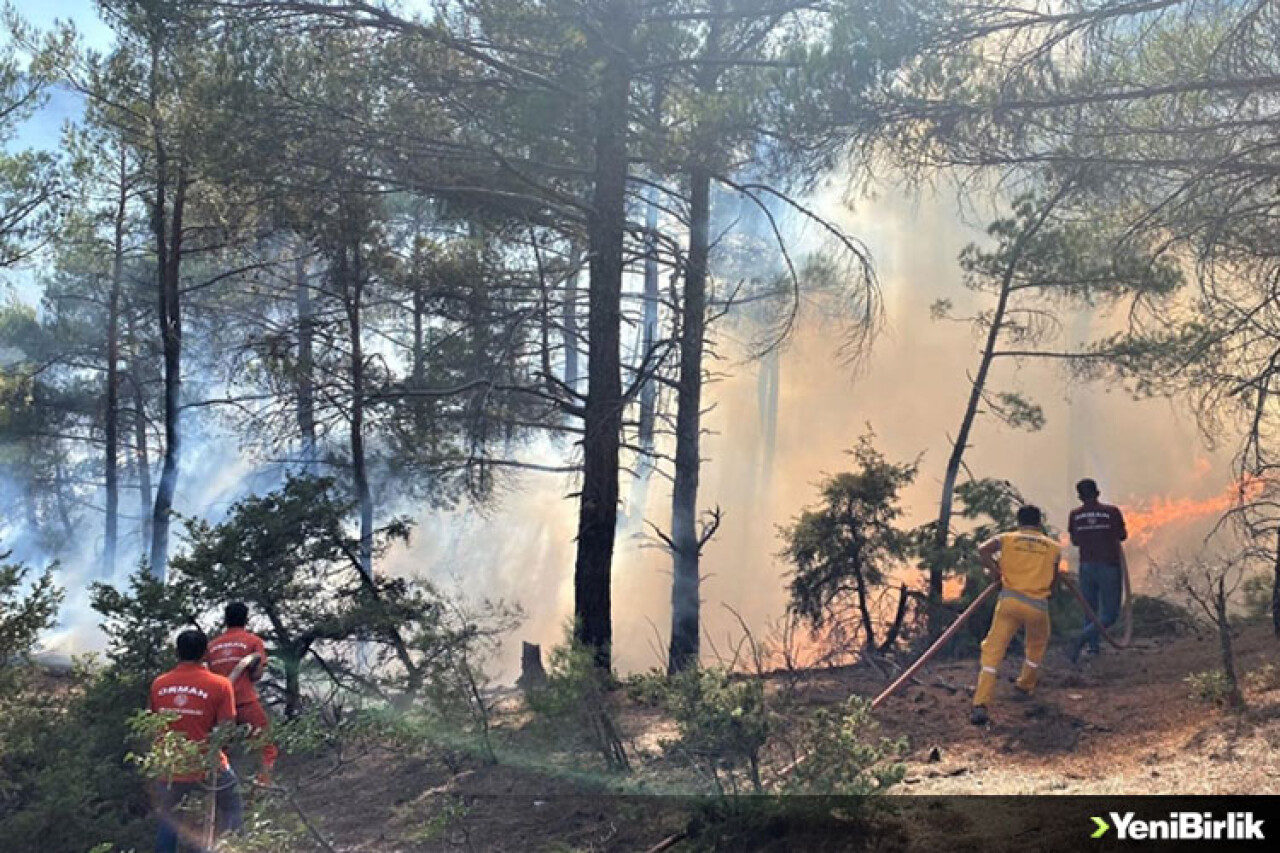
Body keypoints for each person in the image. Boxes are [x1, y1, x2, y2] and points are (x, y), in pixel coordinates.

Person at [148, 628, 243, 853]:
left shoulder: (159, 684)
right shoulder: (220, 684)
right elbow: (227, 730)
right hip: (207, 767)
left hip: (170, 767)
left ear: (177, 652)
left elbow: (151, 724)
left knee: (168, 821)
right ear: (205, 653)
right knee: (232, 807)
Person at [970, 505, 1063, 725]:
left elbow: (982, 550)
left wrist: (995, 572)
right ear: (1039, 523)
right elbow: (1055, 581)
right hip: (1037, 607)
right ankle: (1025, 685)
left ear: (1019, 522)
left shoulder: (1007, 539)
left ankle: (980, 703)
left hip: (1009, 603)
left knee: (993, 651)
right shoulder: (1053, 547)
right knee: (1036, 646)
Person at [206, 602, 278, 784]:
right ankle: (262, 787)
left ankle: (217, 789)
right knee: (265, 747)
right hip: (246, 703)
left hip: (220, 707)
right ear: (247, 619)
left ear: (225, 620)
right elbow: (257, 675)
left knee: (218, 748)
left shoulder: (212, 646)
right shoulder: (253, 642)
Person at [1067, 478, 1128, 662]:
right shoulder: (1111, 512)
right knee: (1110, 614)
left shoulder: (1075, 515)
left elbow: (1075, 541)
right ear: (1098, 493)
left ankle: (1093, 648)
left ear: (1079, 497)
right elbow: (1122, 535)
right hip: (1109, 566)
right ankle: (1082, 639)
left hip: (1086, 567)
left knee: (1090, 610)